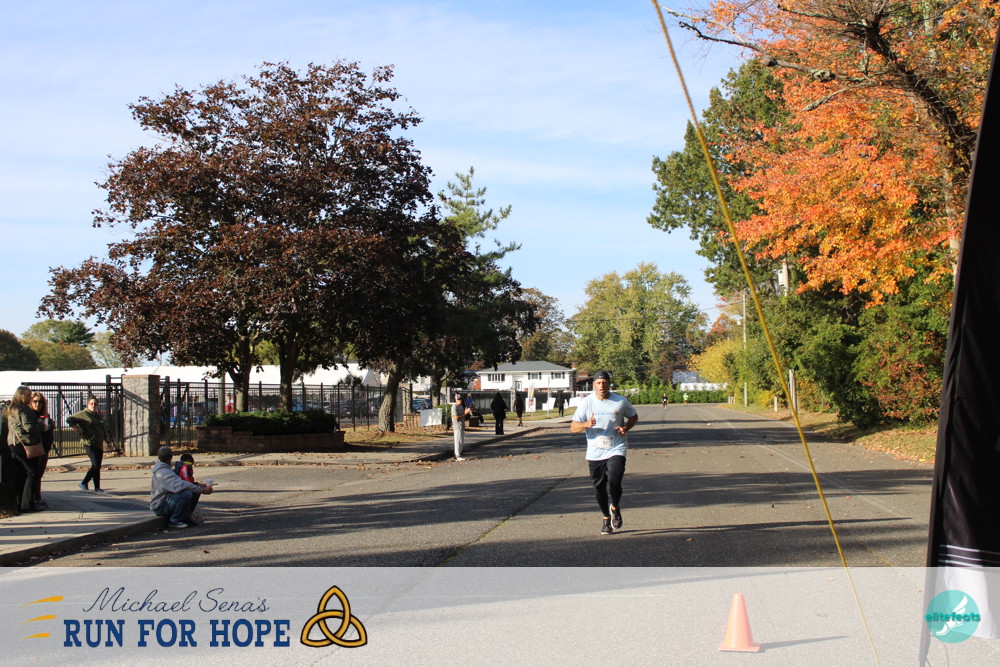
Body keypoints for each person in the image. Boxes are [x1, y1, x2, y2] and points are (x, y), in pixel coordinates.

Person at [570, 370, 638, 535]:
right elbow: (573, 427)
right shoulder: (587, 403)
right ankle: (606, 518)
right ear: (593, 385)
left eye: (605, 382)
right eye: (599, 383)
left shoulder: (620, 401)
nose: (602, 386)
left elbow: (634, 416)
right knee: (599, 487)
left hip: (616, 447)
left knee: (614, 480)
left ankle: (615, 507)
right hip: (595, 451)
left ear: (609, 384)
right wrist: (586, 424)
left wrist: (626, 428)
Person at [150, 446, 212, 528]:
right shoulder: (163, 471)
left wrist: (197, 485)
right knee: (186, 494)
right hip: (160, 506)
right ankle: (175, 519)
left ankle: (186, 517)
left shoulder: (164, 468)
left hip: (166, 500)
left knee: (193, 490)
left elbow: (180, 483)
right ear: (170, 457)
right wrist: (202, 490)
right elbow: (181, 485)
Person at [5, 386, 43, 513]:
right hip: (25, 444)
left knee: (21, 473)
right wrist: (42, 426)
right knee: (32, 472)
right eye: (28, 396)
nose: (30, 398)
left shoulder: (11, 409)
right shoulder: (24, 409)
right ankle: (27, 504)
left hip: (13, 443)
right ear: (21, 396)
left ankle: (19, 502)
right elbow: (28, 427)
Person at [69, 395, 108, 493]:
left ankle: (97, 487)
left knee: (97, 466)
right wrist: (77, 428)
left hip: (98, 443)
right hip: (89, 443)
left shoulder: (98, 416)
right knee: (95, 465)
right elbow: (70, 419)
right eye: (91, 403)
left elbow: (103, 430)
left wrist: (108, 442)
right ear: (88, 405)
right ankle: (84, 482)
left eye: (95, 404)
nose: (93, 405)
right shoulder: (83, 414)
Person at [30, 392, 55, 509]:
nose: (37, 404)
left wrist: (51, 426)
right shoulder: (30, 415)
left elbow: (48, 432)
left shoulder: (45, 416)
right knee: (34, 475)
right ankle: (35, 499)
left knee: (39, 474)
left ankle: (38, 498)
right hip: (34, 448)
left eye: (40, 402)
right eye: (35, 401)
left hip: (44, 448)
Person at [451, 393, 472, 461]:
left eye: (461, 399)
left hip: (462, 425)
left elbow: (463, 416)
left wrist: (467, 412)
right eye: (458, 399)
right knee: (457, 441)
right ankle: (456, 455)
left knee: (461, 441)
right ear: (456, 399)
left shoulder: (461, 406)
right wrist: (465, 413)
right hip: (457, 426)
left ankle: (459, 454)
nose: (460, 400)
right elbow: (456, 417)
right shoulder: (454, 407)